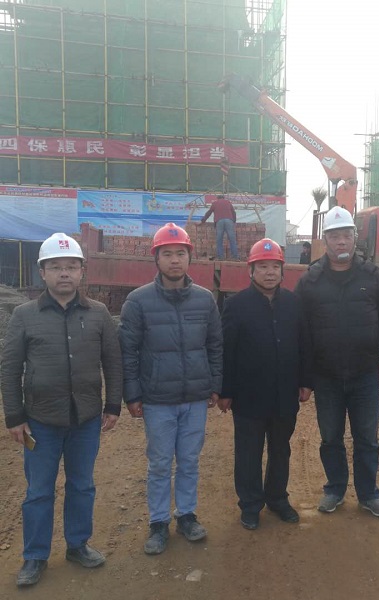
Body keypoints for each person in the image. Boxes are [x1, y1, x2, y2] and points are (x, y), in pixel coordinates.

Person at [1, 233, 122, 587]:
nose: (64, 273)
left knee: (82, 485)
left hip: (85, 419)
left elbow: (113, 362)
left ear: (82, 271)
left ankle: (78, 544)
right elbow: (9, 368)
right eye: (55, 267)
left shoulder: (98, 314)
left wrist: (113, 404)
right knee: (39, 490)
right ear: (42, 272)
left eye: (71, 266)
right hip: (40, 422)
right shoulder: (24, 315)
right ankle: (35, 555)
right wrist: (15, 416)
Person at [119, 223, 222, 556]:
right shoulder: (138, 302)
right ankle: (158, 522)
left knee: (189, 460)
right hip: (157, 400)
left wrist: (214, 385)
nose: (175, 260)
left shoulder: (205, 300)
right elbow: (128, 352)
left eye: (181, 253)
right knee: (161, 463)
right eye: (167, 254)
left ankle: (187, 516)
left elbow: (215, 346)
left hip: (195, 399)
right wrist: (133, 394)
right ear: (157, 259)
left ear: (190, 257)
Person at [295, 206, 379, 518]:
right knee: (330, 437)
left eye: (346, 235)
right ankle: (335, 489)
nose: (341, 241)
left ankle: (368, 494)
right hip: (326, 376)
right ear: (325, 240)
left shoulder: (373, 277)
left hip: (365, 374)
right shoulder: (310, 281)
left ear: (355, 237)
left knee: (367, 438)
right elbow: (300, 330)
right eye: (335, 236)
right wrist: (304, 376)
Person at [218, 239, 312, 530]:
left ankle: (277, 499)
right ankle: (250, 505)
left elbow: (305, 345)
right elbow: (227, 352)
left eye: (275, 267)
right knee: (248, 452)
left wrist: (306, 381)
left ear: (282, 271)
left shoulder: (294, 304)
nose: (270, 273)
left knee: (281, 449)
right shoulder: (236, 306)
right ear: (251, 271)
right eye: (262, 267)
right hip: (249, 396)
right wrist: (225, 391)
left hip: (285, 394)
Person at [200, 194, 239, 260]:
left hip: (219, 221)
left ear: (217, 198)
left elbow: (209, 212)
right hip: (229, 221)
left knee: (219, 240)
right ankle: (235, 257)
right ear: (223, 198)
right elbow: (233, 212)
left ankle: (221, 257)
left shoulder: (215, 203)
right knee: (232, 240)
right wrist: (233, 222)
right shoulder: (228, 202)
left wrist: (203, 221)